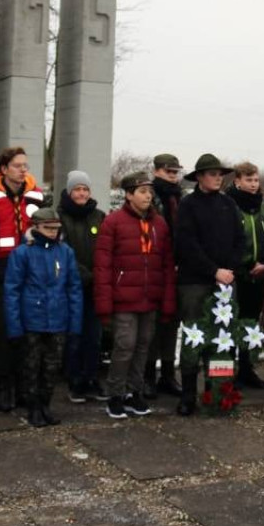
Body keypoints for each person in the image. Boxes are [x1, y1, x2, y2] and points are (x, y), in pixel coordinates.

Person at [94, 172, 177, 419]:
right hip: (123, 299)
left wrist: (167, 300)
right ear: (129, 195)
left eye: (150, 192)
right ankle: (115, 394)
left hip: (150, 297)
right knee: (124, 346)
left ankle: (134, 392)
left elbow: (166, 264)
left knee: (143, 347)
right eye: (142, 191)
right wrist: (104, 304)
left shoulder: (160, 224)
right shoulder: (113, 222)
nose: (148, 196)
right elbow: (102, 265)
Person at [174, 154, 246, 416]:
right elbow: (186, 245)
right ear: (200, 177)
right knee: (195, 339)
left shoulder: (229, 204)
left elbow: (240, 240)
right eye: (213, 174)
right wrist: (213, 270)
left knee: (221, 341)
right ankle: (188, 396)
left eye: (220, 174)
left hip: (225, 283)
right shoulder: (188, 205)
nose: (218, 178)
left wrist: (230, 270)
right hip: (195, 283)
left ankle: (218, 393)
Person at [0, 147, 46, 412]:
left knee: (28, 335)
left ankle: (23, 387)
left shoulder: (38, 197)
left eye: (25, 165)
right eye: (17, 165)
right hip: (2, 275)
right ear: (4, 169)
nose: (23, 170)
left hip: (32, 276)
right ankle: (3, 389)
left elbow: (47, 236)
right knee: (4, 335)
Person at [4, 207, 82, 427]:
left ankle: (45, 404)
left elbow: (74, 288)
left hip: (58, 319)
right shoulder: (22, 253)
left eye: (56, 228)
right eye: (47, 228)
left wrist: (74, 325)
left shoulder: (65, 252)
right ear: (35, 227)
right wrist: (14, 327)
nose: (52, 232)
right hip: (32, 320)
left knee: (51, 367)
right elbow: (12, 291)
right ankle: (33, 407)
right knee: (31, 366)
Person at [57, 170, 107, 403]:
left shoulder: (99, 217)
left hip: (95, 287)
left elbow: (106, 249)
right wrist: (86, 275)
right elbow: (62, 252)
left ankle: (92, 378)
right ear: (69, 191)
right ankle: (75, 381)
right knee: (74, 335)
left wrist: (100, 274)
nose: (82, 193)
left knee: (94, 336)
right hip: (71, 287)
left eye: (85, 189)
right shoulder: (59, 217)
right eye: (77, 189)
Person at [226, 162, 264, 390]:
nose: (254, 184)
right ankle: (226, 374)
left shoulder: (263, 205)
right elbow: (226, 238)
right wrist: (240, 265)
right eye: (249, 180)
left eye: (256, 180)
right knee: (230, 323)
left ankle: (247, 369)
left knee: (250, 324)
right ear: (237, 181)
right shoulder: (228, 204)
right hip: (236, 273)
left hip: (259, 272)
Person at [145, 153, 184, 399]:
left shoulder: (179, 197)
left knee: (172, 322)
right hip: (155, 267)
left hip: (177, 267)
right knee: (152, 325)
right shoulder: (150, 197)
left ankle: (168, 374)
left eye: (175, 172)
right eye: (169, 172)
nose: (173, 176)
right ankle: (148, 375)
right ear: (157, 170)